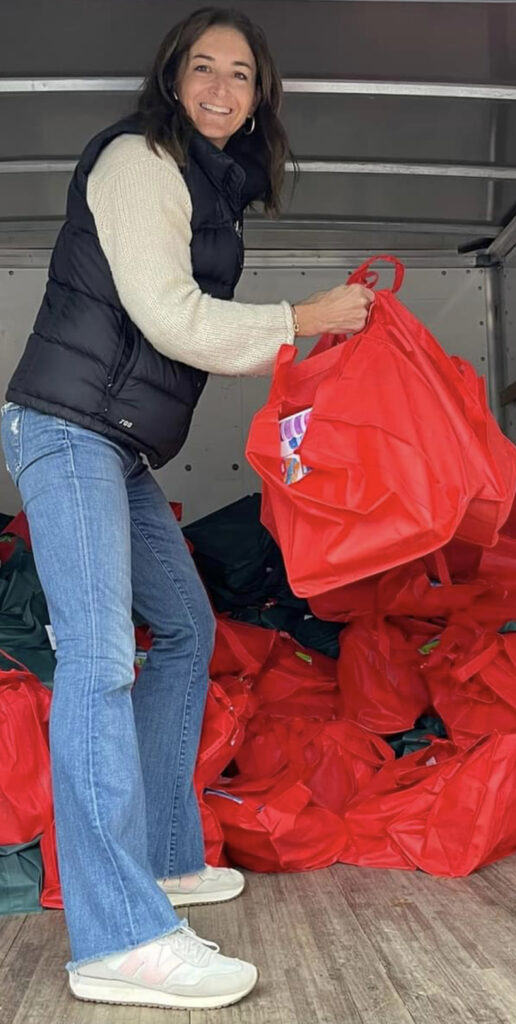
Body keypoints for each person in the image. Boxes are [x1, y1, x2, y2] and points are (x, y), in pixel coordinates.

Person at [1, 5, 374, 1012]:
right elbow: (173, 316)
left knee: (187, 624)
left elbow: (181, 328)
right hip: (65, 428)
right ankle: (117, 937)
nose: (220, 87)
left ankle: (165, 857)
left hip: (114, 443)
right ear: (171, 82)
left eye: (241, 74)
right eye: (202, 68)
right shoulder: (137, 160)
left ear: (260, 97)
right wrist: (302, 321)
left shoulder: (215, 189)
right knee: (97, 657)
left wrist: (309, 338)